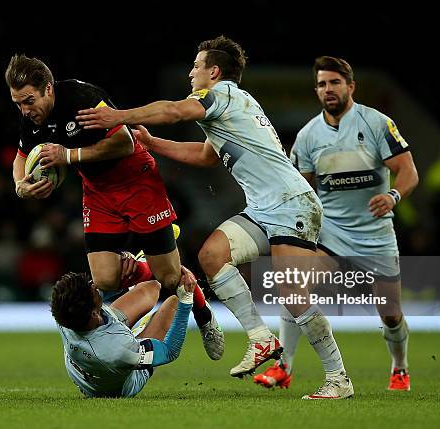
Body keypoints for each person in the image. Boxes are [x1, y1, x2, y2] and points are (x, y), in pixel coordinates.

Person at [76, 36, 353, 399]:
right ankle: (260, 338)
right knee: (211, 257)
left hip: (291, 203)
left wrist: (120, 116)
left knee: (292, 294)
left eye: (196, 65)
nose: (191, 72)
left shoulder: (219, 94)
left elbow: (175, 111)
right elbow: (208, 155)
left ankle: (338, 379)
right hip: (263, 207)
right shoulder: (233, 104)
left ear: (215, 71)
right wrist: (153, 143)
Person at [4, 55, 223, 360]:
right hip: (98, 192)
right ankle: (136, 260)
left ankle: (204, 314)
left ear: (49, 89)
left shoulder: (84, 100)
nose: (25, 110)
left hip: (137, 181)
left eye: (28, 101)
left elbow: (125, 144)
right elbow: (20, 156)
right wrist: (20, 186)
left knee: (170, 280)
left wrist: (68, 156)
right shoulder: (31, 118)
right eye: (18, 104)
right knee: (105, 280)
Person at [254, 56, 419, 392]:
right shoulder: (309, 136)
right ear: (316, 90)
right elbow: (301, 188)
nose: (327, 89)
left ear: (350, 86)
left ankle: (400, 367)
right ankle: (284, 366)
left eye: (334, 82)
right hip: (329, 234)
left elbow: (408, 171)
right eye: (321, 84)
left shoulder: (376, 123)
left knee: (390, 313)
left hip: (375, 237)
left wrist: (392, 197)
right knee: (293, 286)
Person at [51, 269, 196, 398]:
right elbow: (169, 351)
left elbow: (104, 287)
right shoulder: (117, 351)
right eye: (92, 289)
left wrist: (133, 268)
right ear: (94, 313)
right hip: (121, 384)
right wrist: (187, 299)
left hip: (89, 368)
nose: (94, 285)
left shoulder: (64, 311)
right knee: (174, 303)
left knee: (151, 286)